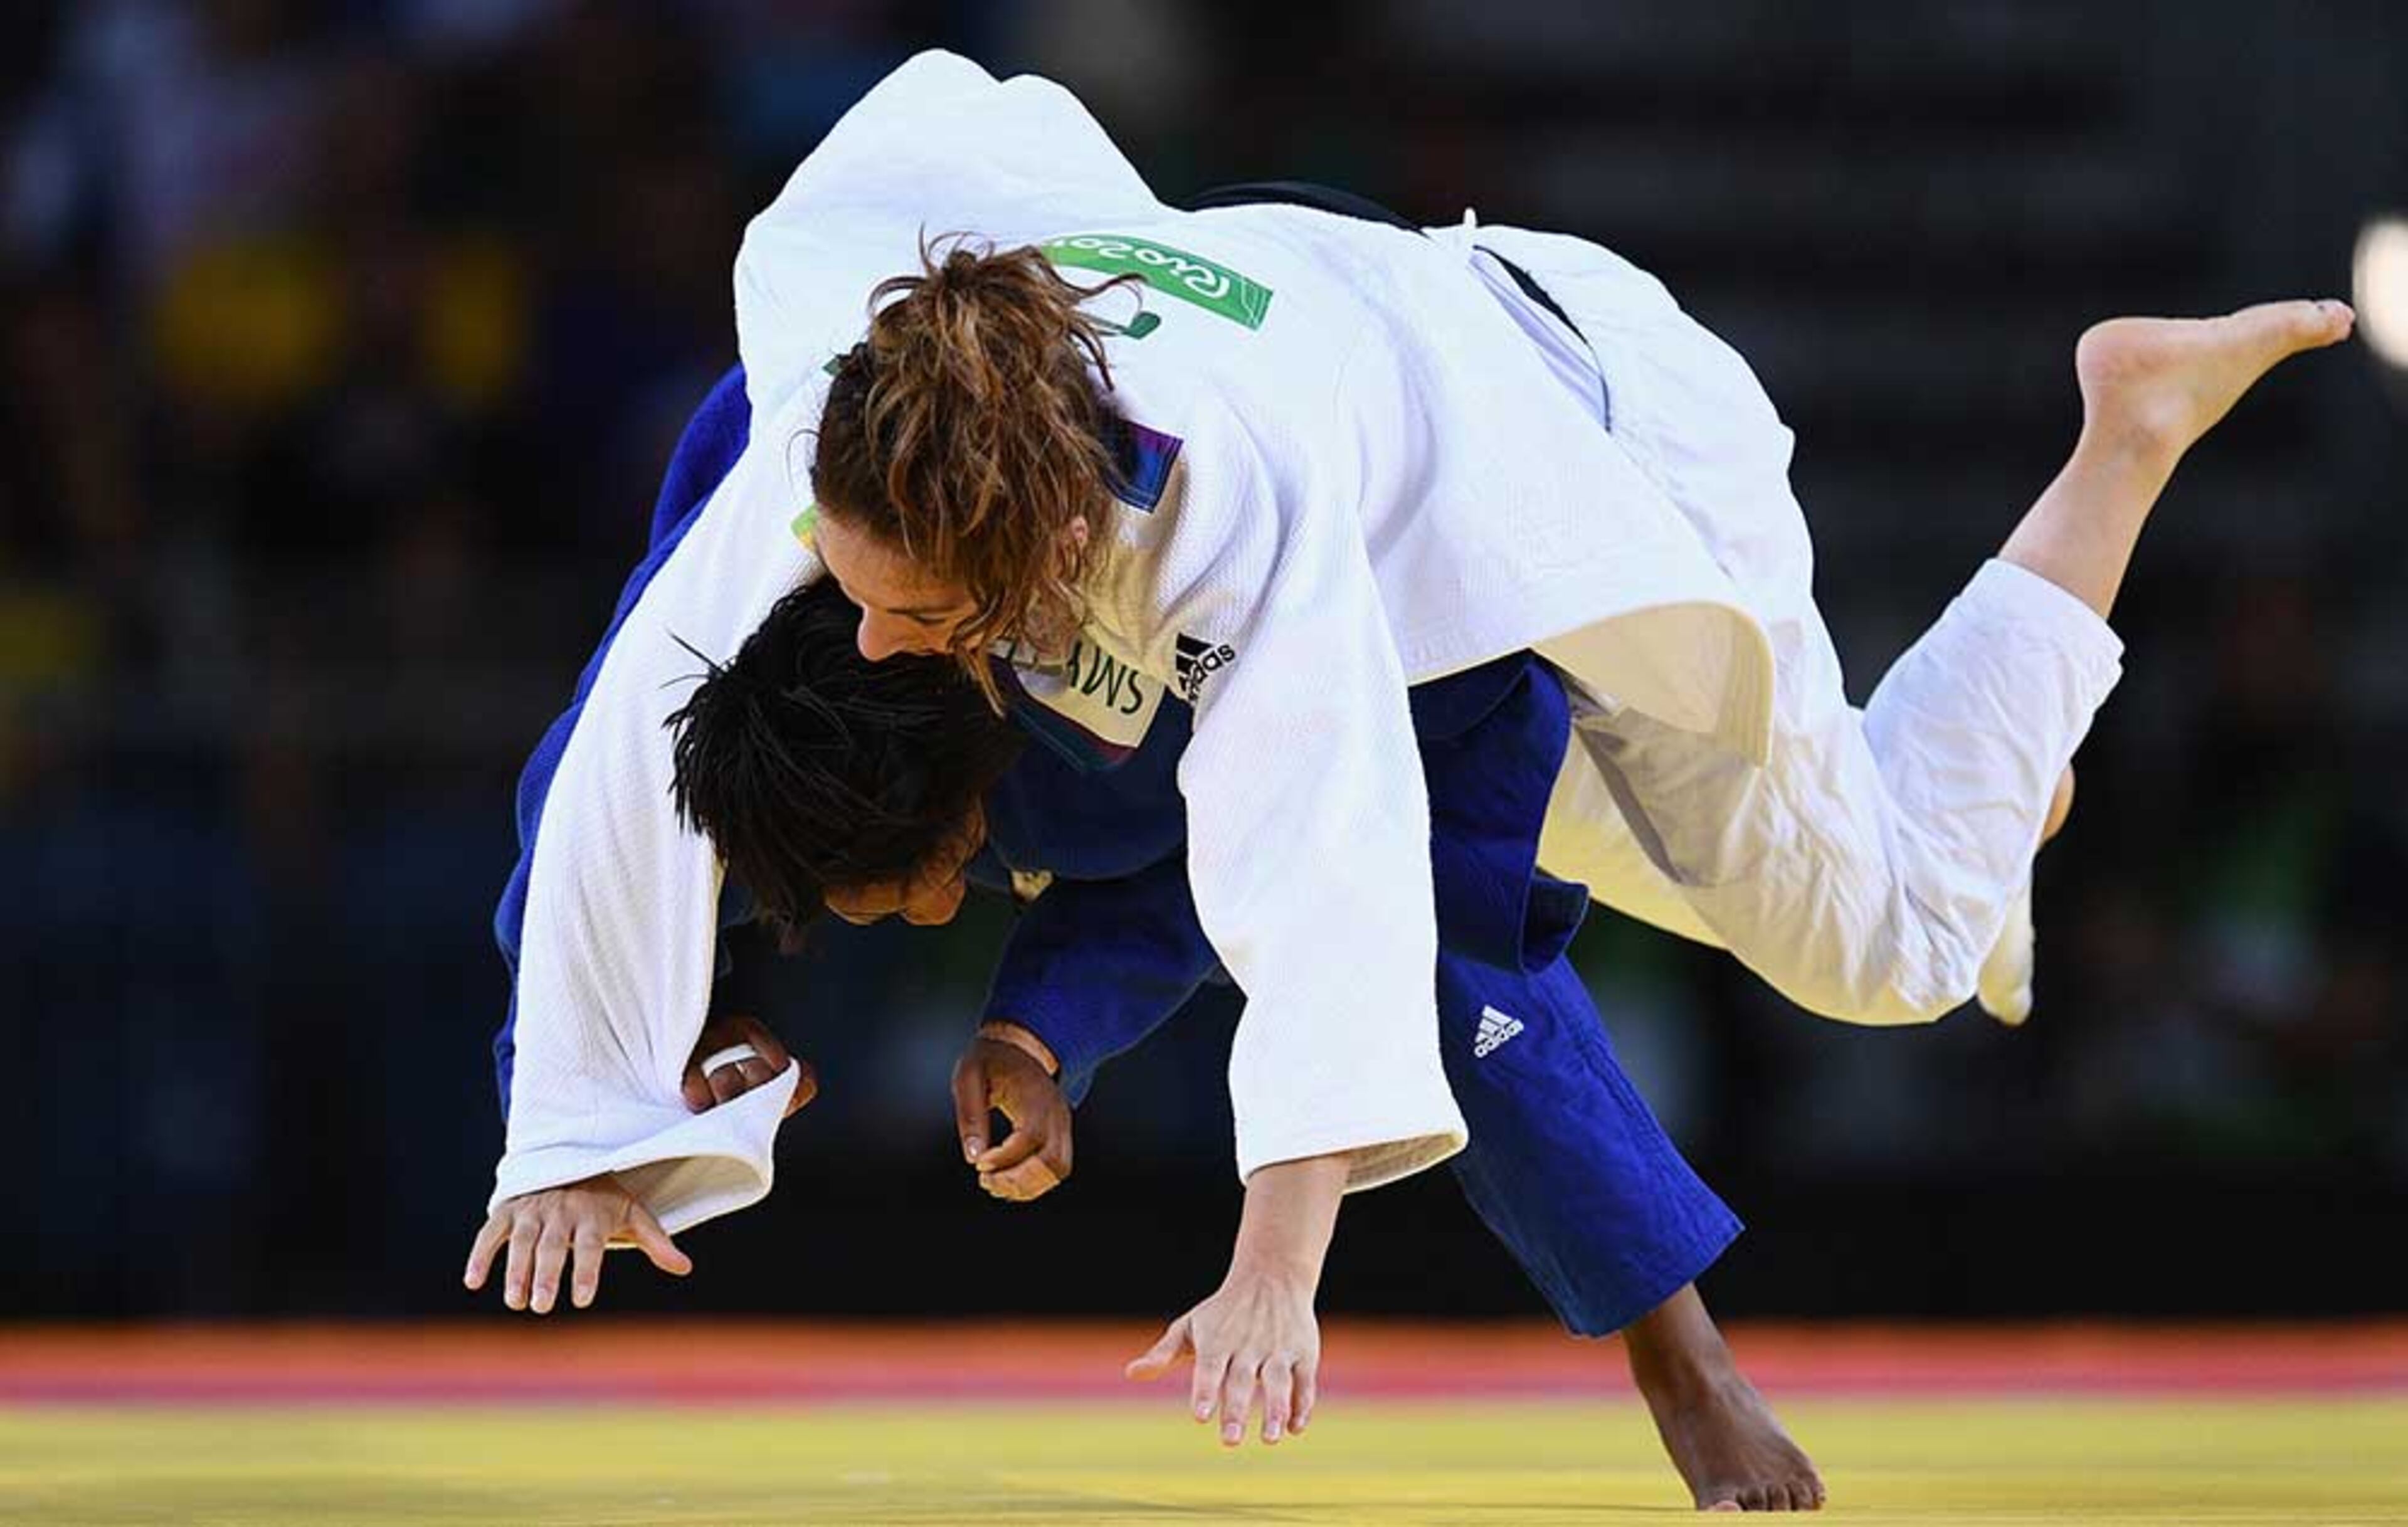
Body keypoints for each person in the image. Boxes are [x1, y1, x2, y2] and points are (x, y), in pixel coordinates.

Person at [475, 50, 2354, 1464]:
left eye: (913, 620)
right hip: (1398, 377)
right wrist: (572, 1121)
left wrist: (1275, 1269)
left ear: (1030, 558)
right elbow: (616, 755)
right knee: (1882, 870)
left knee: (1894, 945)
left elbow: (1349, 891)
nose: (873, 637)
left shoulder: (1233, 521)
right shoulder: (841, 430)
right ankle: (1974, 781)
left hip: (1580, 463)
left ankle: (2125, 432)